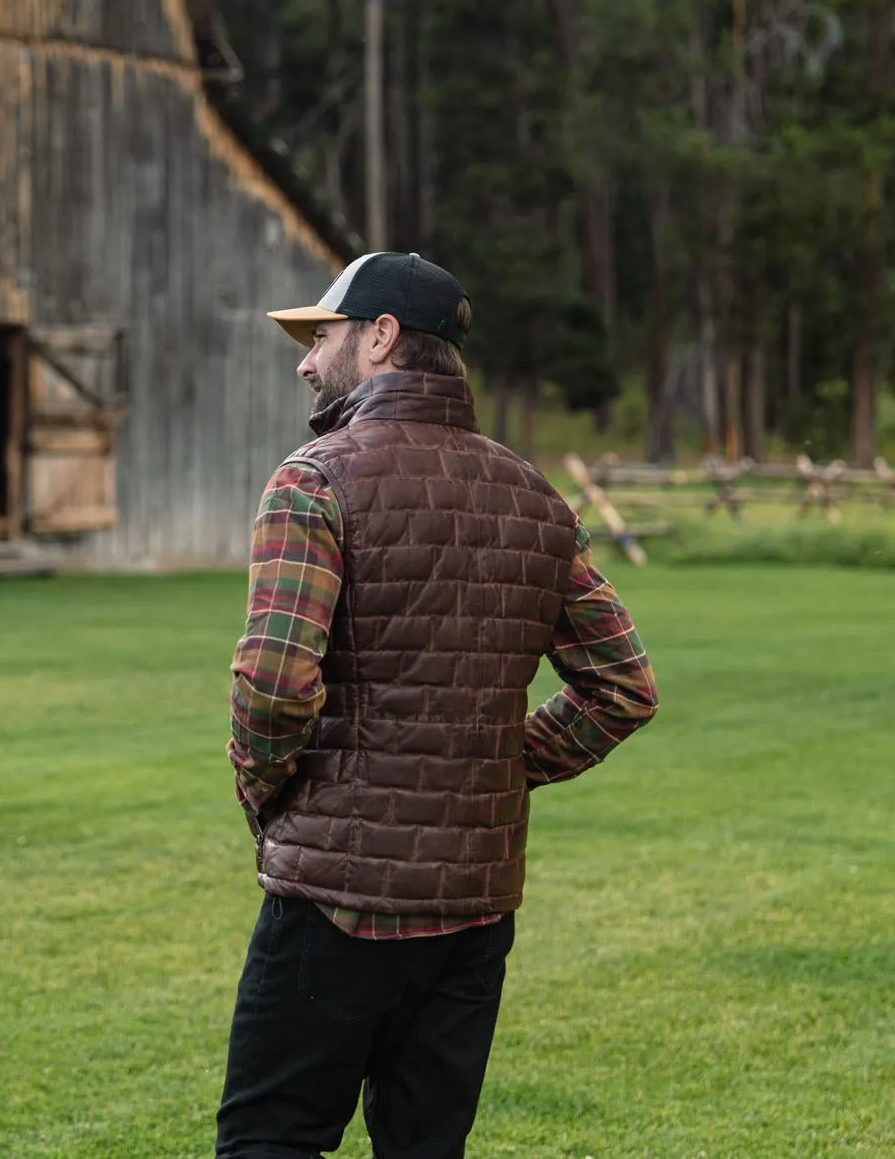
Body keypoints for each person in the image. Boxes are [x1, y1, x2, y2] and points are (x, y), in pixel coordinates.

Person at [216, 252, 659, 1158]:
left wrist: (268, 794)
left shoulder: (313, 481)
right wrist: (491, 769)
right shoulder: (535, 499)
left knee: (271, 1141)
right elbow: (622, 685)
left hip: (336, 896)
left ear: (380, 338)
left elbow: (273, 684)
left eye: (323, 335)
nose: (306, 359)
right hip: (474, 909)